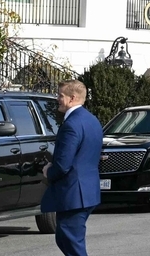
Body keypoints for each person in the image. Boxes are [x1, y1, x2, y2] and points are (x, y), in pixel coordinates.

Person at [42, 79, 103, 256]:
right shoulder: (92, 120)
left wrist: (49, 171)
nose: (58, 99)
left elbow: (63, 165)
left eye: (61, 95)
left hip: (74, 194)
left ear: (72, 98)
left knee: (70, 241)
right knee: (66, 238)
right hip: (87, 191)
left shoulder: (71, 125)